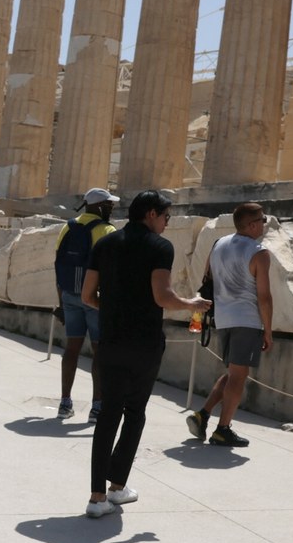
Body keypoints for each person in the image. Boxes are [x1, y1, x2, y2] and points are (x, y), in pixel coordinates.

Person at [81, 190, 210, 518]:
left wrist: (112, 310)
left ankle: (97, 497)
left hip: (110, 341)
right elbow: (163, 296)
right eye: (166, 217)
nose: (167, 223)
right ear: (151, 214)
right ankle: (117, 486)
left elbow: (86, 295)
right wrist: (191, 304)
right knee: (134, 413)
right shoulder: (159, 247)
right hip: (143, 343)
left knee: (107, 415)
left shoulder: (105, 244)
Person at [186, 203, 273, 447]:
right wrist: (268, 330)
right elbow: (264, 297)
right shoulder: (259, 252)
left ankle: (202, 415)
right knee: (238, 376)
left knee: (234, 372)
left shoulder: (218, 245)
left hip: (223, 319)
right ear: (253, 225)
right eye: (262, 220)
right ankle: (223, 429)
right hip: (248, 319)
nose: (264, 225)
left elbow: (208, 280)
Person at [53, 187, 118, 421]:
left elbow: (58, 265)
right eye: (109, 205)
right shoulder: (106, 230)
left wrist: (61, 302)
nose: (112, 208)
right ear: (100, 206)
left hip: (70, 294)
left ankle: (65, 403)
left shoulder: (67, 227)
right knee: (99, 351)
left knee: (72, 349)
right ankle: (97, 406)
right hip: (96, 298)